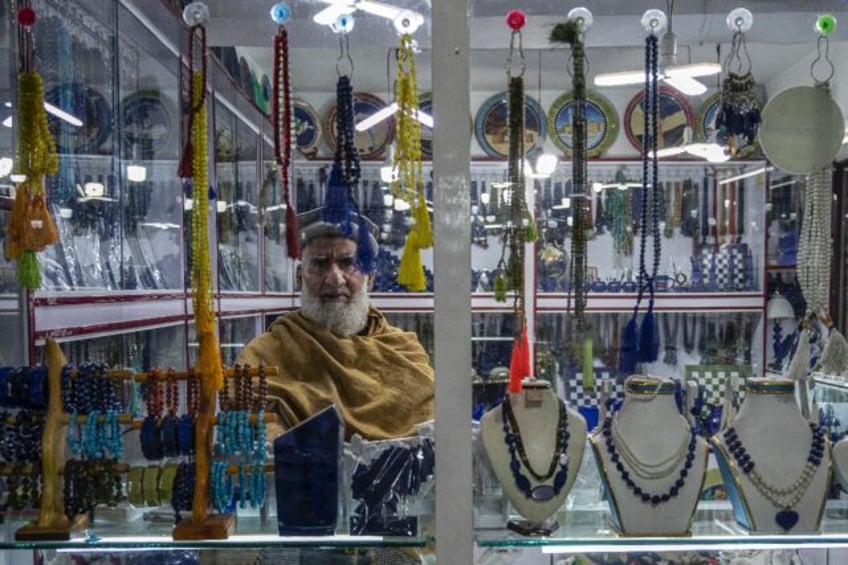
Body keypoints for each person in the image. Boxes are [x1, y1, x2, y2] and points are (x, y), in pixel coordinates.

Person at [236, 207, 435, 441]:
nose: (334, 278)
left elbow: (435, 432)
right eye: (320, 264)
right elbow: (253, 437)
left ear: (369, 279)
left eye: (347, 263)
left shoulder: (404, 350)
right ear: (300, 277)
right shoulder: (267, 354)